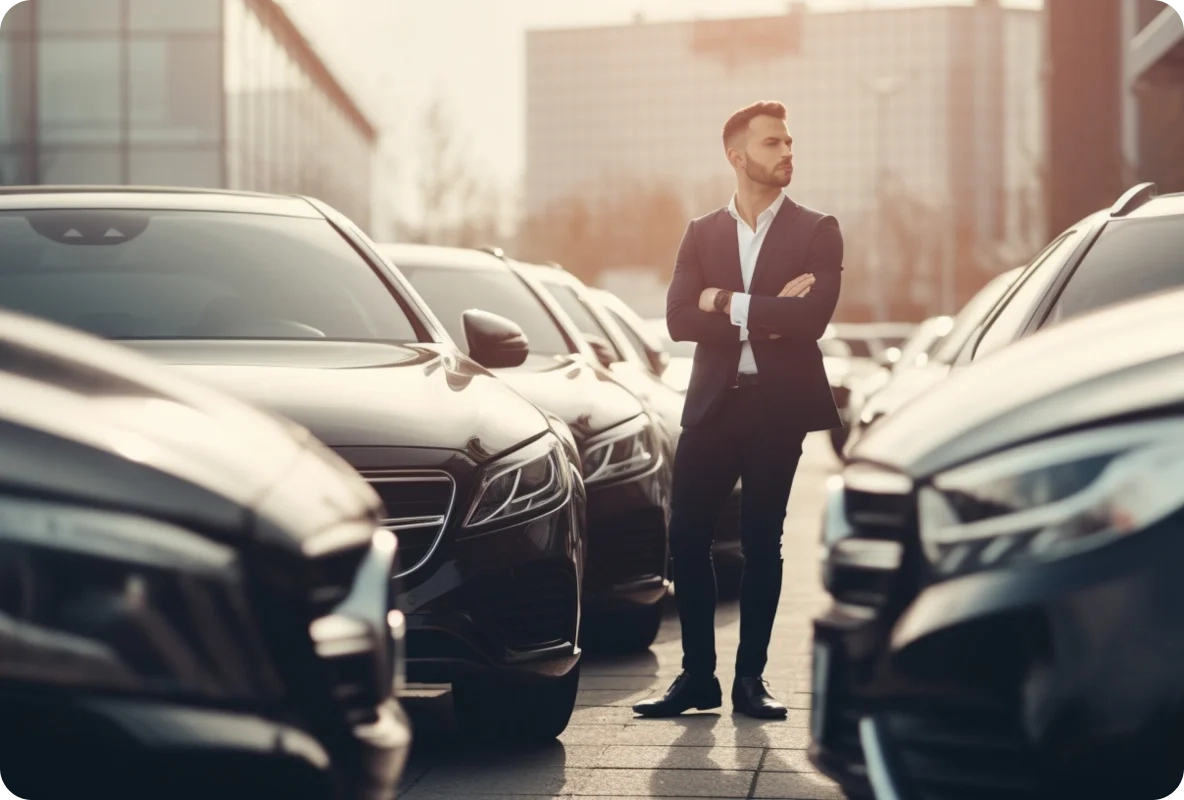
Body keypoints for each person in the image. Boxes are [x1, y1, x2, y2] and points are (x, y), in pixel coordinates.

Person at [633, 101, 843, 720]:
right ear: (737, 155)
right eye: (773, 143)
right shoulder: (702, 232)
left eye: (788, 142)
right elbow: (677, 320)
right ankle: (698, 677)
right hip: (713, 406)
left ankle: (751, 680)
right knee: (687, 538)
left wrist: (725, 300)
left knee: (760, 541)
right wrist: (763, 312)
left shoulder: (816, 229)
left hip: (779, 410)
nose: (787, 153)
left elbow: (811, 319)